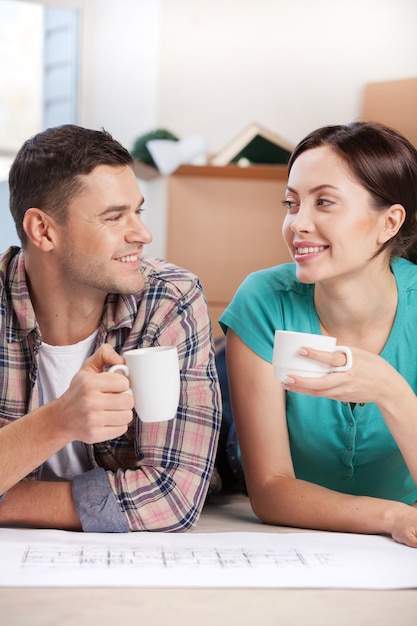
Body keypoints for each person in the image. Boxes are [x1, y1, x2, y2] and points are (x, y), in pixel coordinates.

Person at [0, 124, 221, 533]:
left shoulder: (168, 299)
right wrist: (58, 422)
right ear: (43, 230)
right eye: (114, 217)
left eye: (137, 211)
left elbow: (173, 496)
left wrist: (8, 500)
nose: (142, 234)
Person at [220, 121, 417, 548]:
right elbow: (270, 490)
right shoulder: (262, 299)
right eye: (291, 204)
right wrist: (393, 517)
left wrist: (392, 392)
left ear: (389, 223)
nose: (298, 224)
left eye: (324, 202)